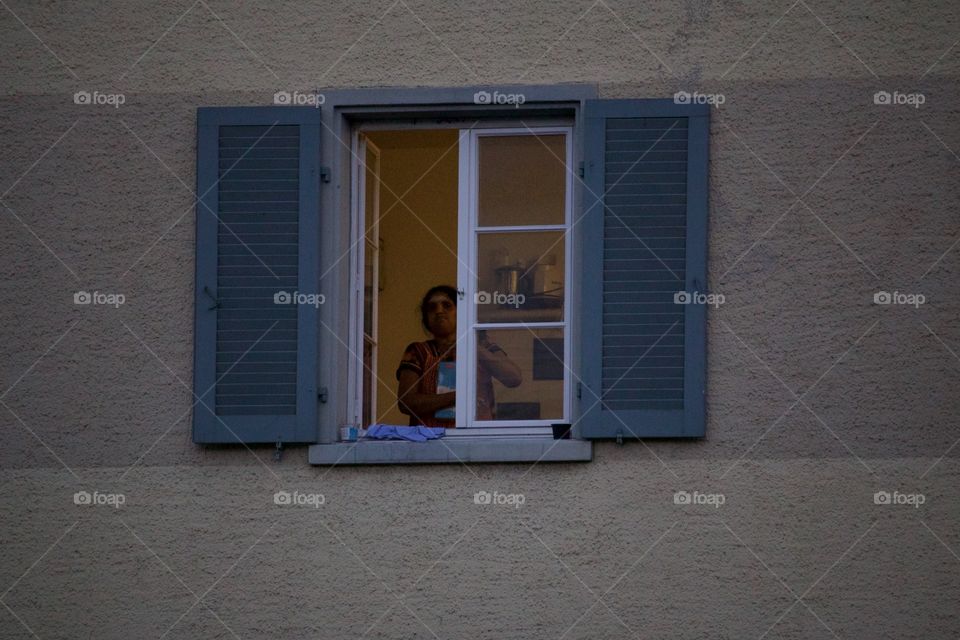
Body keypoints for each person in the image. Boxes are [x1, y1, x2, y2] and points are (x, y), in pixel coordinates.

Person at [396, 285, 521, 427]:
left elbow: (514, 378)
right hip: (429, 442)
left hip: (476, 439)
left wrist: (470, 344)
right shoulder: (417, 351)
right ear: (426, 318)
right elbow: (406, 402)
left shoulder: (485, 348)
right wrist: (457, 397)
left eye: (447, 305)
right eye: (432, 307)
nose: (439, 311)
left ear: (460, 312)